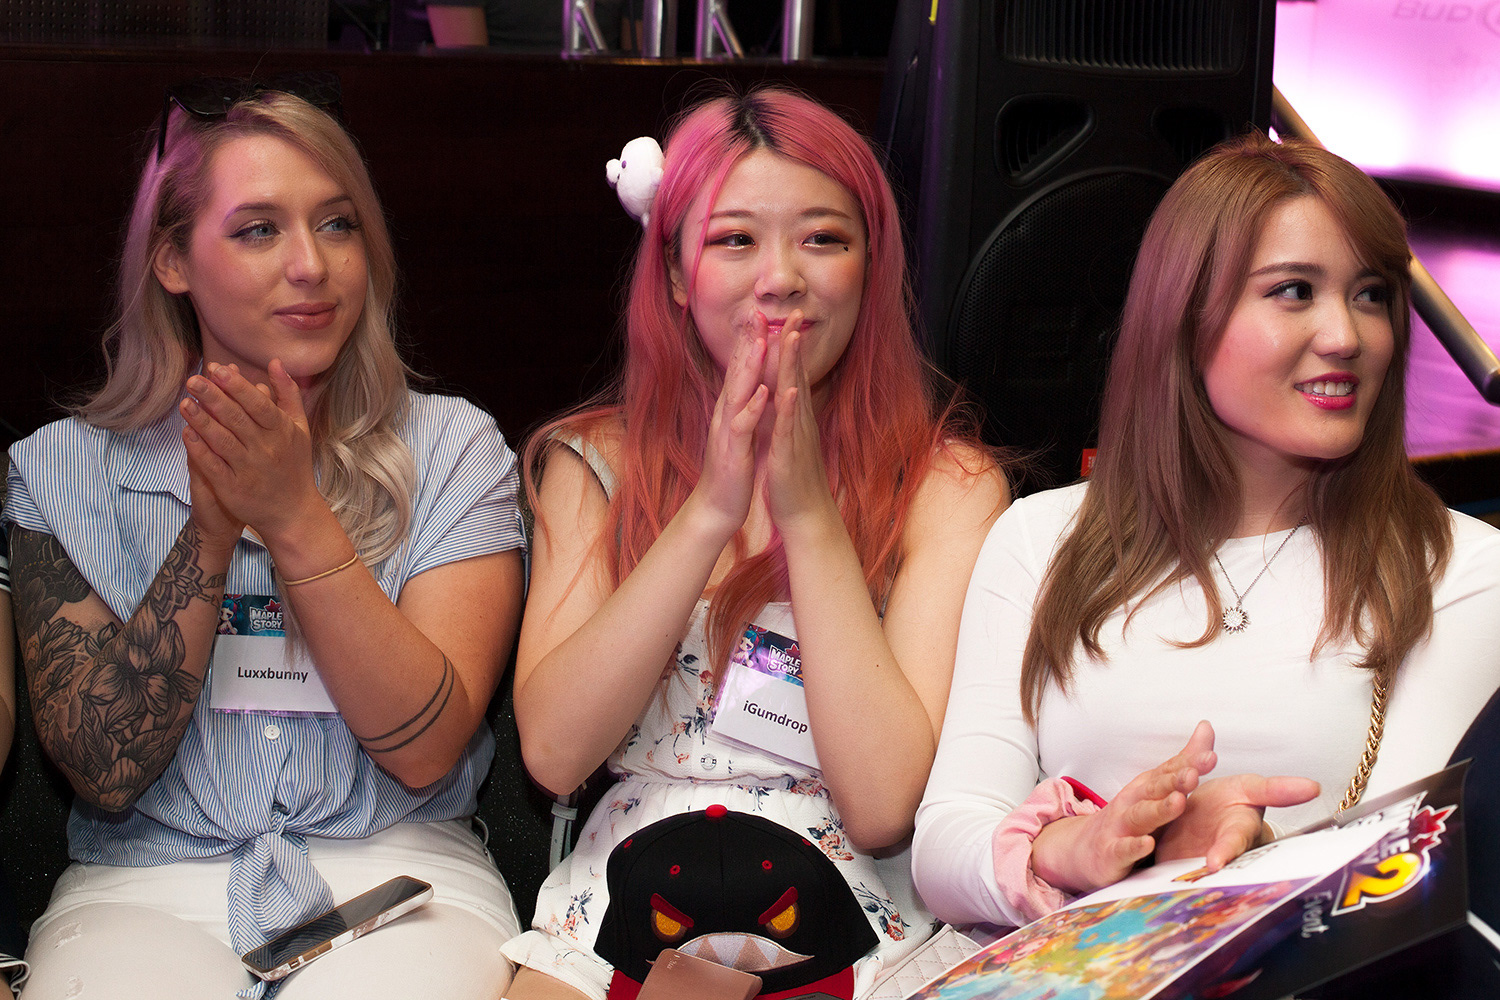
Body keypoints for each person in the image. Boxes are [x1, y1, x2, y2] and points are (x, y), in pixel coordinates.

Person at [4, 77, 526, 998]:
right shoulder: (60, 468)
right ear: (173, 260)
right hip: (144, 883)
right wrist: (209, 534)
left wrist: (293, 516)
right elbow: (103, 770)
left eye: (337, 224)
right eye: (258, 230)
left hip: (402, 873)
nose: (311, 266)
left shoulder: (456, 447)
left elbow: (425, 749)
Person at [911, 133, 1500, 930]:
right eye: (1294, 291)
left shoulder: (1462, 570)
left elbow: (1401, 869)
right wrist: (1080, 847)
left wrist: (1247, 851)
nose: (1346, 336)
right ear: (1186, 318)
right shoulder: (1040, 540)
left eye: (1371, 294)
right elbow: (945, 846)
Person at [500, 87, 1008, 1000]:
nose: (780, 278)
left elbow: (883, 805)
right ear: (675, 274)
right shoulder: (595, 463)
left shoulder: (947, 486)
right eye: (734, 239)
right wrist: (708, 511)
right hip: (617, 908)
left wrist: (808, 520)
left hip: (864, 919)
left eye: (823, 239)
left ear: (871, 267)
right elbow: (555, 755)